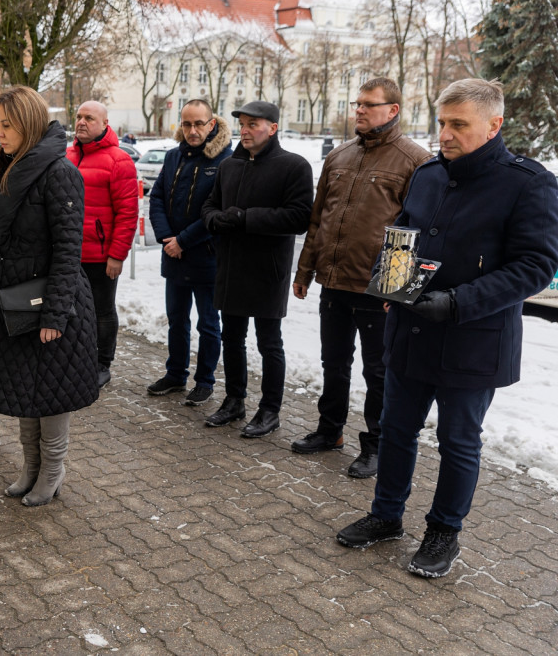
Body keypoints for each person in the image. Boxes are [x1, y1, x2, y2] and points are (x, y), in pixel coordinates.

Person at [336, 78, 558, 577]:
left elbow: (535, 266)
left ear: (494, 124)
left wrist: (458, 302)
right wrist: (392, 286)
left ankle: (443, 533)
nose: (446, 135)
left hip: (472, 340)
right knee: (396, 430)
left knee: (459, 442)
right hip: (412, 330)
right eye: (442, 123)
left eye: (459, 125)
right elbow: (405, 236)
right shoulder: (430, 173)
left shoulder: (528, 182)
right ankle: (386, 515)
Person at [291, 78, 433, 478]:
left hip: (379, 290)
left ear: (393, 111)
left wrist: (399, 291)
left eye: (369, 105)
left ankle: (376, 446)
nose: (359, 110)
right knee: (333, 363)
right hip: (333, 281)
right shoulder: (339, 156)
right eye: (358, 104)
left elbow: (418, 232)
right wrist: (305, 271)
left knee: (379, 372)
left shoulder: (415, 161)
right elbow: (319, 219)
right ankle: (329, 430)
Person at [0, 86, 99, 507]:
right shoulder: (2, 167)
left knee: (52, 394)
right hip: (12, 302)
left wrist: (56, 315)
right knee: (26, 390)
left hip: (48, 302)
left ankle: (53, 470)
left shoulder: (60, 173)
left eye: (7, 125)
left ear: (28, 123)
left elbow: (68, 249)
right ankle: (30, 467)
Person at [200, 101, 313, 437]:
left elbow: (298, 216)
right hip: (231, 265)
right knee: (231, 338)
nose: (245, 131)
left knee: (269, 343)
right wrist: (213, 219)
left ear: (273, 128)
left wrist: (245, 218)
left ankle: (270, 409)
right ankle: (234, 400)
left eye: (253, 124)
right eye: (243, 125)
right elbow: (210, 204)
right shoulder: (230, 166)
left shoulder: (293, 166)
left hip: (267, 269)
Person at [147, 99, 233, 405]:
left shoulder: (225, 161)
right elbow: (156, 197)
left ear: (212, 124)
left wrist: (183, 240)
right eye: (186, 124)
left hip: (206, 257)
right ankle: (175, 374)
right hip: (173, 254)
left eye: (198, 124)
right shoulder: (173, 157)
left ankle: (205, 380)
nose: (192, 130)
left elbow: (218, 212)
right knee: (177, 320)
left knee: (208, 324)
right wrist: (167, 237)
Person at [66, 100, 139, 388]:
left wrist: (117, 255)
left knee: (102, 311)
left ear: (105, 124)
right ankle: (77, 360)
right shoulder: (68, 155)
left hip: (100, 255)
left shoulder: (119, 160)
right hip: (69, 253)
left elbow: (127, 213)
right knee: (72, 310)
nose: (82, 122)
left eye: (90, 118)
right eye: (79, 116)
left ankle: (102, 363)